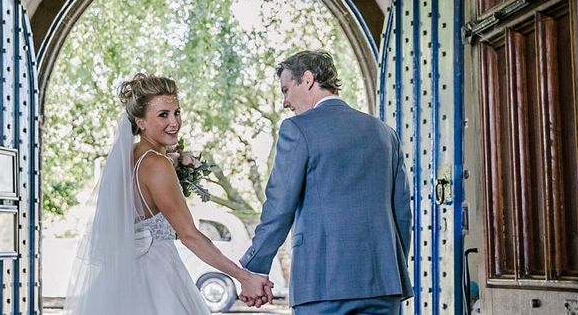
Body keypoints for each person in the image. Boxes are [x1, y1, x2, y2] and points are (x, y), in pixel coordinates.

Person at [64, 72, 272, 314]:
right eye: (163, 115)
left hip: (122, 280)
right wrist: (243, 276)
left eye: (177, 112)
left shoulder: (128, 158)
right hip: (157, 280)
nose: (174, 122)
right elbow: (190, 235)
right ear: (140, 122)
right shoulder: (156, 165)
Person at [240, 50, 413, 315]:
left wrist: (253, 268)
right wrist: (388, 264)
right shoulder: (385, 134)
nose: (285, 102)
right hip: (383, 284)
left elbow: (279, 207)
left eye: (286, 90)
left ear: (307, 80)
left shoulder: (297, 129)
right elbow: (402, 213)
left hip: (322, 283)